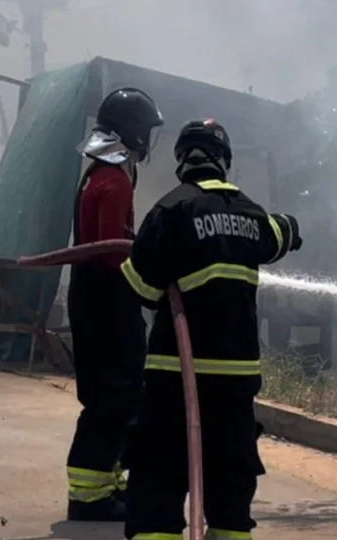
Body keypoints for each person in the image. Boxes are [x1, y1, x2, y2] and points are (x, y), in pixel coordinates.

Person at [119, 118, 302, 539]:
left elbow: (141, 289)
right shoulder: (251, 214)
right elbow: (279, 234)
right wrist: (292, 228)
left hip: (175, 375)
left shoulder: (170, 210)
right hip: (236, 381)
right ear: (225, 162)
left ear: (183, 160)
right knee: (230, 484)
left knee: (158, 480)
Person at [66, 87, 164, 522]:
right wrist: (151, 283)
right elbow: (113, 250)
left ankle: (107, 483)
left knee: (114, 395)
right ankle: (90, 497)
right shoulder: (115, 180)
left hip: (91, 294)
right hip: (108, 297)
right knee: (115, 394)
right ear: (132, 130)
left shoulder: (97, 173)